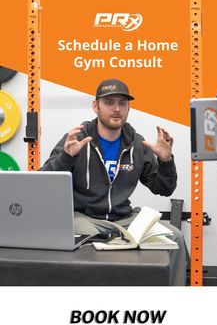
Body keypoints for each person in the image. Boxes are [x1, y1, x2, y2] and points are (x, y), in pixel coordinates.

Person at [40, 78, 186, 285]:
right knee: (90, 236)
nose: (116, 108)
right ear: (95, 106)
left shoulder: (136, 143)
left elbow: (163, 189)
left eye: (122, 103)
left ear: (128, 108)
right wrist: (67, 157)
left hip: (123, 218)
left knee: (176, 238)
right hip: (85, 217)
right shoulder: (77, 139)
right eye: (109, 102)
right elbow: (44, 184)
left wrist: (166, 161)